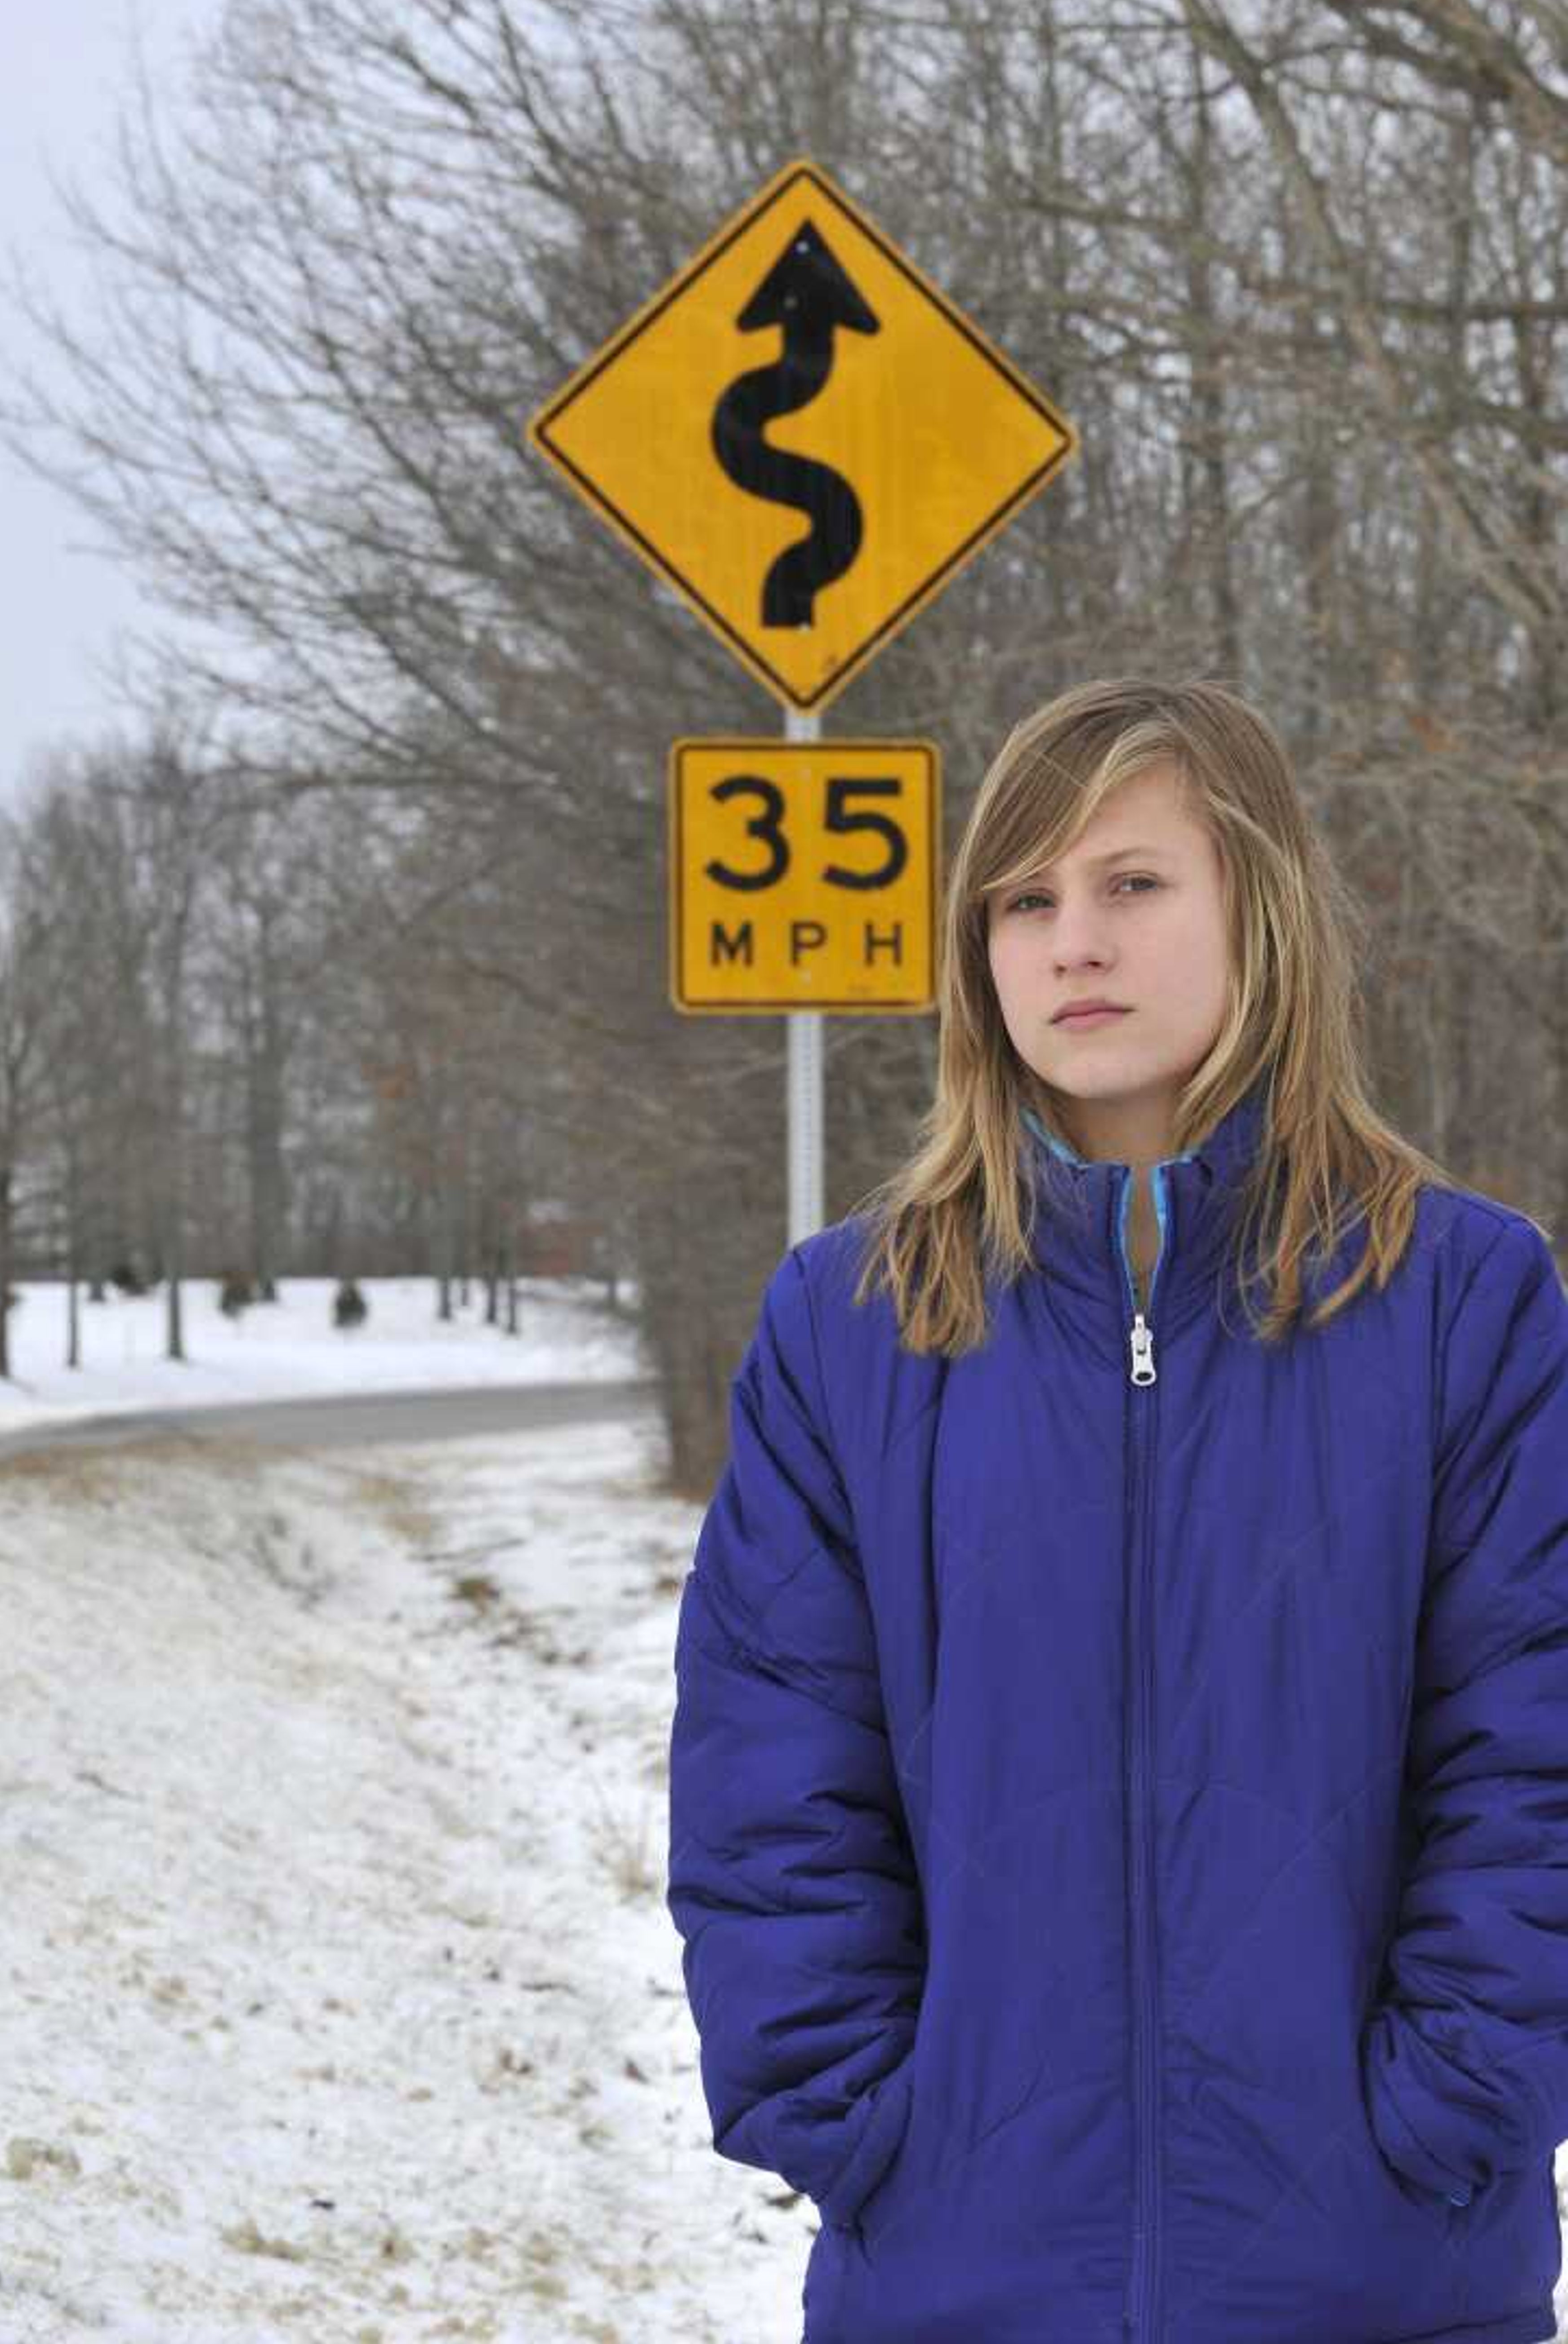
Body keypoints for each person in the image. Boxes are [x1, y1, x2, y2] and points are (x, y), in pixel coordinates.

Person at [665, 675, 1568, 2344]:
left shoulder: (1464, 1303)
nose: (1071, 940)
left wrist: (1451, 2112)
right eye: (1025, 898)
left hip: (1385, 2280)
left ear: (1263, 909)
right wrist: (866, 2125)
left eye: (1133, 884)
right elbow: (772, 1773)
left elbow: (1536, 1753)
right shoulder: (852, 1323)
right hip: (959, 2281)